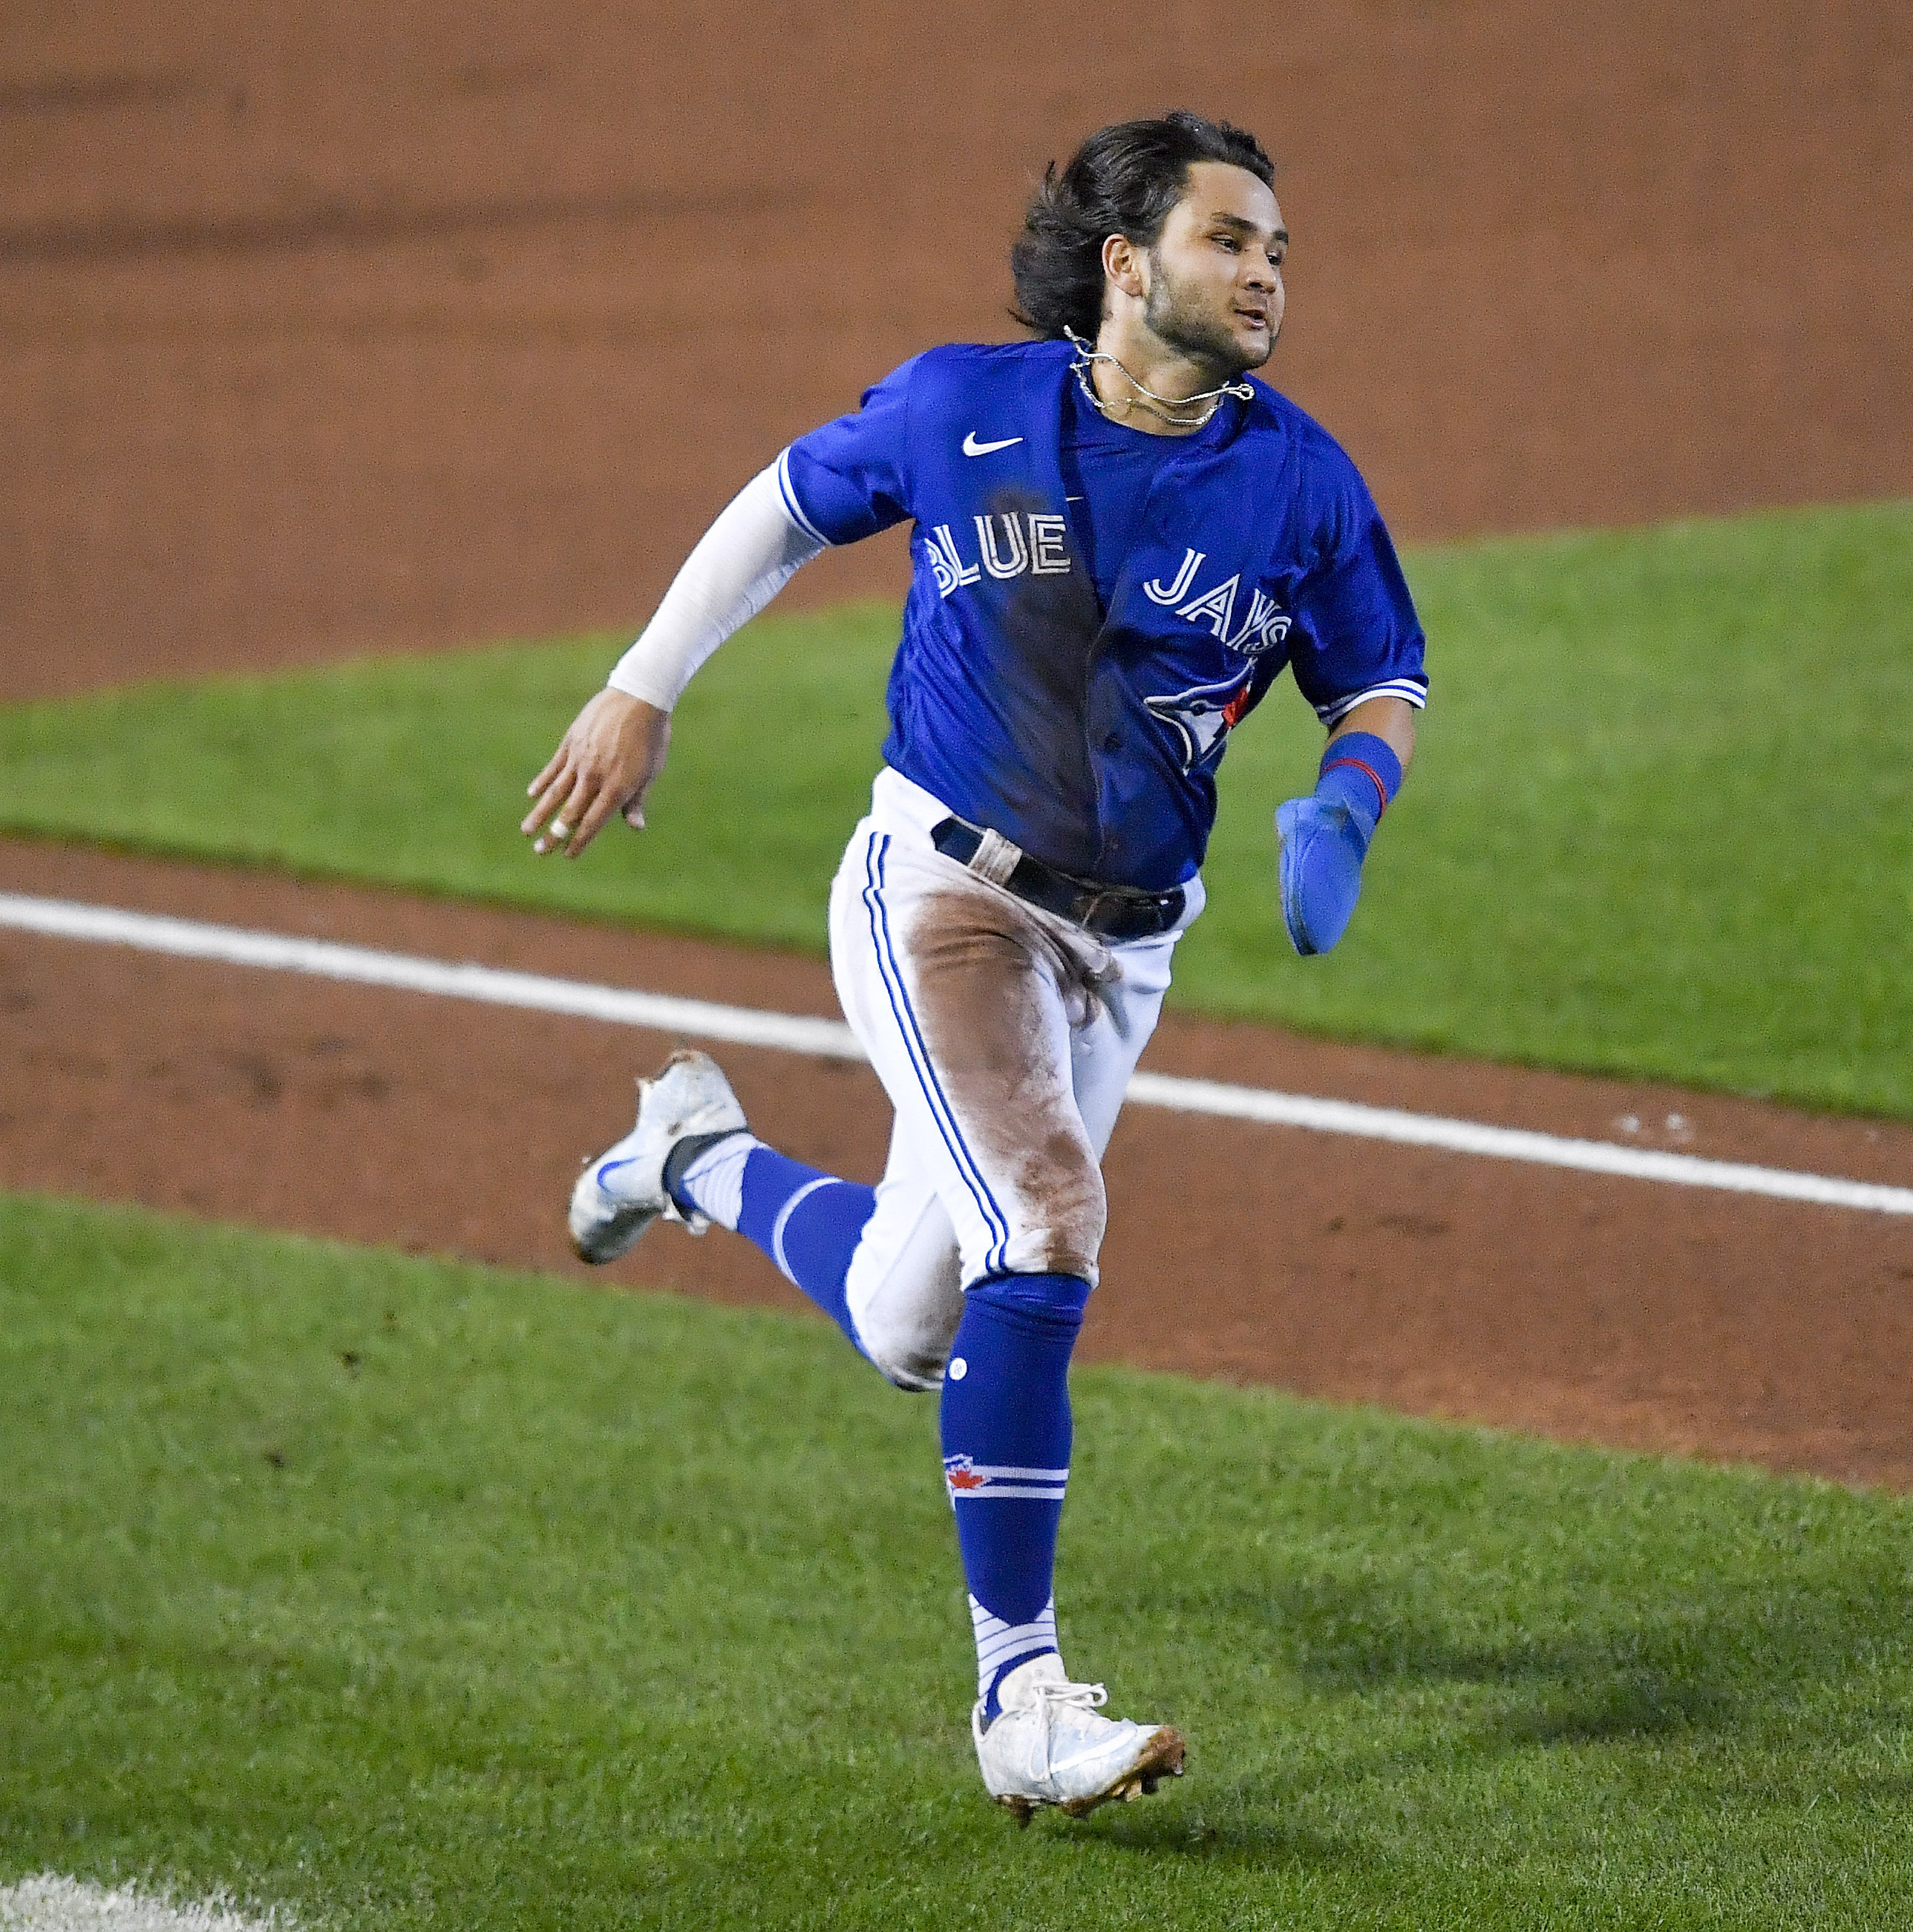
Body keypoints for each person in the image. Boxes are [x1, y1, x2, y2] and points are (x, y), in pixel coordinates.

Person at [520, 111, 1426, 1824]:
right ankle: (1020, 1697)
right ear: (1127, 264)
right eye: (1231, 240)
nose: (1265, 274)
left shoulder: (1298, 476)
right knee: (1050, 1223)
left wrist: (1349, 804)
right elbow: (783, 510)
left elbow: (1382, 673)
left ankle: (695, 1158)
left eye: (1281, 250)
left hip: (1127, 947)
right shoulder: (964, 408)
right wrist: (642, 686)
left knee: (910, 1315)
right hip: (944, 895)